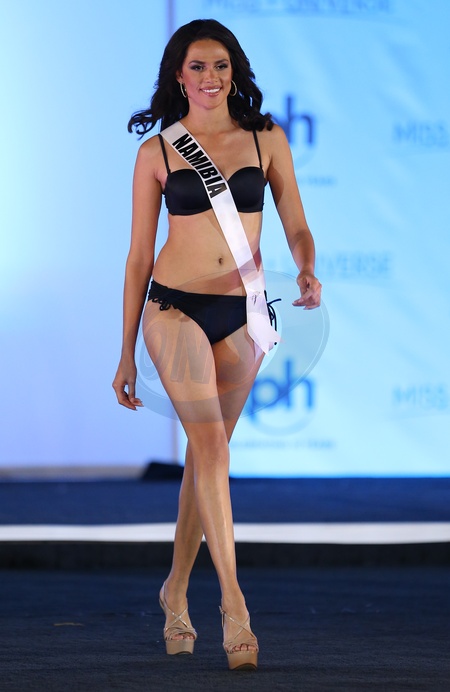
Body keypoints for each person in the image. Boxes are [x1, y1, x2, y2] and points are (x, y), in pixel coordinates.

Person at [112, 18, 322, 671]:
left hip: (243, 312)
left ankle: (175, 592)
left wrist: (307, 268)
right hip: (173, 309)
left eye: (221, 66)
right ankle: (235, 605)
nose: (211, 77)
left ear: (236, 73)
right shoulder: (158, 151)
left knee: (210, 456)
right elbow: (138, 255)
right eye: (198, 66)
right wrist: (125, 350)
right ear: (179, 76)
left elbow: (297, 224)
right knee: (209, 449)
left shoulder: (266, 139)